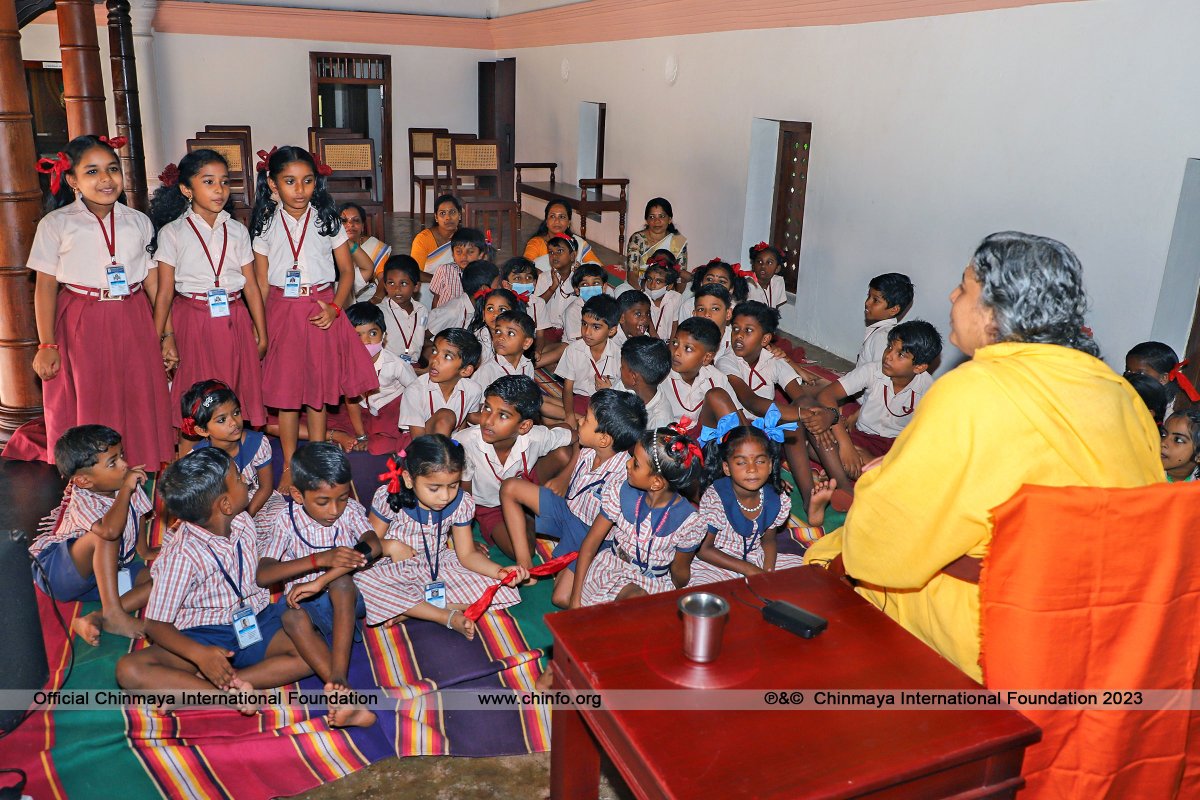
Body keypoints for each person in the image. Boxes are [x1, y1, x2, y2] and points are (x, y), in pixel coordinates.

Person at [804, 231, 1163, 682]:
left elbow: (884, 547)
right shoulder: (1116, 393)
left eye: (964, 286)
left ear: (993, 311)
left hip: (982, 633)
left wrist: (878, 483)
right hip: (1090, 629)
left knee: (829, 571)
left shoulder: (973, 390)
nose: (953, 295)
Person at [116, 448, 312, 711]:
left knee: (312, 655)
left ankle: (202, 688)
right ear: (225, 504)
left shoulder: (242, 520)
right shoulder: (182, 554)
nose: (246, 479)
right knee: (130, 670)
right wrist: (200, 656)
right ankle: (227, 697)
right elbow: (155, 624)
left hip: (255, 618)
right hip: (203, 634)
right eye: (239, 478)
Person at [29, 134, 174, 468]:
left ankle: (140, 466)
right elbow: (45, 286)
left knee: (138, 392)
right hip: (82, 316)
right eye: (92, 172)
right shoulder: (57, 224)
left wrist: (166, 334)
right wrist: (46, 343)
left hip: (133, 312)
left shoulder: (138, 221)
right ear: (72, 180)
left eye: (112, 169)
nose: (106, 179)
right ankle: (92, 472)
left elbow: (153, 282)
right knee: (91, 396)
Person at [250, 145, 377, 491]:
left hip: (321, 309)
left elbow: (347, 273)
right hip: (282, 310)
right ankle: (291, 465)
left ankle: (319, 458)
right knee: (288, 394)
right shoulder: (264, 223)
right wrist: (260, 327)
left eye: (307, 181)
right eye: (290, 181)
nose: (299, 189)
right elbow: (261, 282)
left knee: (318, 393)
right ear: (273, 184)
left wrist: (335, 308)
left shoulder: (327, 219)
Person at [353, 435, 530, 638]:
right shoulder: (389, 497)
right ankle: (444, 616)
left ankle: (410, 609)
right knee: (362, 581)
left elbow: (467, 555)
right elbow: (368, 545)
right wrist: (391, 546)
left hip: (437, 564)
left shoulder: (462, 503)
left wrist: (499, 572)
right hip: (392, 568)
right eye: (434, 488)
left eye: (453, 485)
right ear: (409, 479)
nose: (445, 496)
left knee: (503, 590)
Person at [256, 443, 379, 727]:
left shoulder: (350, 513)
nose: (334, 510)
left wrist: (322, 577)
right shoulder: (284, 522)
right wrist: (318, 559)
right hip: (307, 610)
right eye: (323, 501)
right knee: (291, 616)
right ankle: (342, 691)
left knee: (342, 583)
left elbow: (374, 544)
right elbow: (264, 575)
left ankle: (337, 675)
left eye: (342, 498)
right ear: (298, 495)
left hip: (345, 603)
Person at [150, 150, 267, 428]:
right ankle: (192, 462)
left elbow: (251, 286)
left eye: (225, 182)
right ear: (186, 189)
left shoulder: (237, 230)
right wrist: (161, 337)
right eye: (209, 182)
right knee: (195, 396)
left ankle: (234, 463)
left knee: (233, 390)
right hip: (193, 319)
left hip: (234, 316)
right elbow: (164, 293)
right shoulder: (173, 232)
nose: (219, 190)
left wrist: (262, 332)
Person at [499, 389, 646, 608]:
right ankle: (526, 567)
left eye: (586, 419)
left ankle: (615, 604)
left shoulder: (621, 479)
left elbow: (602, 532)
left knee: (561, 598)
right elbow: (578, 447)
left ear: (604, 439)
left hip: (590, 535)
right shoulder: (590, 447)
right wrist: (565, 477)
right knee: (510, 487)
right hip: (567, 510)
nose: (580, 420)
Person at [30, 425, 154, 644]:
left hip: (100, 577)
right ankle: (115, 614)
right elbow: (109, 531)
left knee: (160, 580)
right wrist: (125, 490)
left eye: (122, 455)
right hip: (58, 572)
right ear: (84, 481)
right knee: (103, 536)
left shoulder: (124, 484)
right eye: (113, 462)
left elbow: (140, 514)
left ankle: (98, 617)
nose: (125, 465)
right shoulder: (83, 500)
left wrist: (145, 550)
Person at [802, 320, 941, 500]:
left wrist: (879, 461)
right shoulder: (872, 371)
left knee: (919, 475)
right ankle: (853, 485)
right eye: (889, 347)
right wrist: (846, 446)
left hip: (895, 449)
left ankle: (845, 475)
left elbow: (928, 439)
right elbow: (826, 395)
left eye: (900, 355)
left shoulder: (929, 389)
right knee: (816, 437)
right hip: (860, 437)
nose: (889, 356)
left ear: (919, 367)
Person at [571, 427, 707, 607]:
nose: (628, 463)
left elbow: (679, 575)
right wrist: (575, 598)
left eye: (635, 463)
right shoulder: (619, 492)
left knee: (638, 602)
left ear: (656, 482)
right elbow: (590, 543)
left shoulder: (689, 521)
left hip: (652, 584)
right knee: (630, 600)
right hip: (611, 570)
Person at [690, 425, 824, 584]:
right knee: (705, 589)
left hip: (755, 556)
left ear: (770, 465)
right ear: (726, 468)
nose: (752, 469)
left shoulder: (775, 498)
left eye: (760, 461)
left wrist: (767, 572)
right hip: (718, 563)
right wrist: (750, 570)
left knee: (805, 575)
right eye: (741, 463)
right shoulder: (716, 497)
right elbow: (704, 550)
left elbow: (768, 540)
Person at [456, 375, 574, 556]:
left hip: (527, 485)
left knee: (563, 454)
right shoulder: (464, 444)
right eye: (487, 408)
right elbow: (462, 497)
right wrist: (465, 539)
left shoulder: (536, 436)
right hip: (491, 506)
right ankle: (529, 517)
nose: (488, 420)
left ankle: (529, 511)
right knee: (520, 550)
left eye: (502, 415)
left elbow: (577, 436)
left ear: (524, 426)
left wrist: (564, 477)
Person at [182, 380, 277, 523]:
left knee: (282, 517)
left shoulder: (256, 443)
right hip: (219, 512)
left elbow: (266, 488)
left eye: (236, 412)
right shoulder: (198, 461)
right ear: (202, 430)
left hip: (257, 503)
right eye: (222, 420)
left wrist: (246, 518)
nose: (233, 422)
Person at [329, 302, 416, 455]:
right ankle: (367, 435)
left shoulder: (395, 364)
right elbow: (352, 401)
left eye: (372, 333)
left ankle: (397, 438)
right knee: (328, 418)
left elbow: (416, 389)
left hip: (392, 407)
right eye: (357, 335)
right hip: (363, 409)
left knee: (380, 446)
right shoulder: (345, 364)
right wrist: (361, 435)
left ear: (384, 335)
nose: (365, 341)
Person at [398, 328, 483, 438]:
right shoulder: (415, 390)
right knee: (446, 416)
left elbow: (464, 420)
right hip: (420, 445)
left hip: (450, 443)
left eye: (447, 356)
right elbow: (417, 439)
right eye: (434, 351)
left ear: (466, 371)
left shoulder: (473, 390)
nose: (434, 360)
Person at [664, 318, 742, 432]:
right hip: (667, 441)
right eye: (675, 343)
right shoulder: (659, 375)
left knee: (717, 395)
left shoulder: (717, 378)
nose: (676, 352)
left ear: (706, 358)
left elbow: (737, 418)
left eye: (688, 348)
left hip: (705, 440)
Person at [559, 294, 622, 424]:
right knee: (543, 405)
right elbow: (567, 388)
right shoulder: (573, 350)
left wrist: (609, 391)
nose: (587, 332)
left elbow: (622, 395)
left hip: (603, 406)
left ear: (612, 330)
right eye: (584, 324)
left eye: (596, 327)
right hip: (578, 401)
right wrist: (570, 415)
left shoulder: (619, 356)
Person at [372, 256, 427, 364]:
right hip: (388, 368)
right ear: (385, 286)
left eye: (403, 283)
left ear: (416, 287)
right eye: (391, 283)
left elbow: (421, 336)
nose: (397, 289)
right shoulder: (379, 312)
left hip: (414, 367)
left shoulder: (422, 311)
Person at [624, 197, 688, 289]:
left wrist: (676, 297)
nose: (656, 221)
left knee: (690, 292)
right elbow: (632, 274)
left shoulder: (678, 241)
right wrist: (641, 294)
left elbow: (680, 276)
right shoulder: (638, 239)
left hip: (667, 288)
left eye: (661, 216)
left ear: (669, 219)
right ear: (646, 220)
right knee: (621, 291)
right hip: (640, 285)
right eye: (652, 217)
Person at [1124, 341, 1198, 417]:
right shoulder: (1123, 396)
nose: (1130, 377)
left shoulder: (1164, 418)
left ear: (1163, 378)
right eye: (1128, 370)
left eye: (1140, 373)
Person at [427, 259, 496, 340]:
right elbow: (424, 338)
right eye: (498, 284)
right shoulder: (452, 312)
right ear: (484, 289)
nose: (500, 287)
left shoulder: (479, 306)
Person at [858, 272, 913, 369]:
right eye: (868, 296)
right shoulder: (880, 331)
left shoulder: (882, 337)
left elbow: (878, 375)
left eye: (875, 300)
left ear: (894, 310)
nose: (867, 302)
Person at [524, 199, 603, 266]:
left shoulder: (578, 243)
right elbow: (525, 269)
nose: (557, 221)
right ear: (546, 222)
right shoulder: (536, 243)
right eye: (552, 216)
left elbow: (597, 267)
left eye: (562, 217)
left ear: (568, 222)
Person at [339, 201, 391, 301]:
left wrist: (375, 299)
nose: (350, 224)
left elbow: (383, 279)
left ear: (363, 226)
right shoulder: (329, 248)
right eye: (344, 221)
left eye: (356, 221)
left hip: (370, 295)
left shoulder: (375, 247)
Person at [618, 336, 673, 429]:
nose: (620, 369)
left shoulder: (661, 421)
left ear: (633, 377)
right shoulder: (623, 387)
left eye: (622, 367)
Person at [429, 226, 488, 312]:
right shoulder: (444, 270)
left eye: (470, 252)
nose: (464, 256)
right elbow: (436, 298)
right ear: (453, 254)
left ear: (480, 255)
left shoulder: (484, 275)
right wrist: (433, 318)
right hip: (446, 319)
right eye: (459, 252)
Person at [676, 260, 749, 327]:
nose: (714, 284)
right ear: (701, 283)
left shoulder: (737, 310)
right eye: (709, 279)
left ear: (731, 289)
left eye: (722, 282)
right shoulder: (688, 305)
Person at [410, 193, 461, 277]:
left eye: (452, 212)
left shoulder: (464, 237)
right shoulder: (423, 239)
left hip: (457, 284)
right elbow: (415, 272)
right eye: (442, 213)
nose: (448, 217)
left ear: (459, 215)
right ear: (436, 217)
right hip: (428, 285)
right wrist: (440, 281)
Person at [562, 263, 610, 344]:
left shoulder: (609, 306)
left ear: (604, 287)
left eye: (596, 283)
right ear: (577, 290)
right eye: (585, 284)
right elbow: (579, 340)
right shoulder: (573, 311)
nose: (591, 287)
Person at [469, 287, 518, 365]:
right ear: (483, 315)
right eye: (490, 309)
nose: (495, 314)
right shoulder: (481, 339)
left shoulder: (516, 333)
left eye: (502, 310)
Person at [643, 255, 683, 340]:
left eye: (658, 281)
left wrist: (672, 345)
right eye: (649, 279)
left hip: (667, 341)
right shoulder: (641, 298)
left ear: (669, 286)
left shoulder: (676, 298)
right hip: (648, 341)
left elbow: (674, 323)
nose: (652, 285)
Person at [1160, 410, 1200, 482]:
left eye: (1178, 440)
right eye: (1163, 434)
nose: (1163, 443)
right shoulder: (1142, 475)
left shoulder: (1196, 488)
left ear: (1198, 455)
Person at [746, 242, 787, 310]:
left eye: (769, 263)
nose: (763, 266)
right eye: (759, 261)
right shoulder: (745, 284)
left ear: (777, 268)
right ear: (753, 265)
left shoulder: (778, 281)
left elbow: (775, 308)